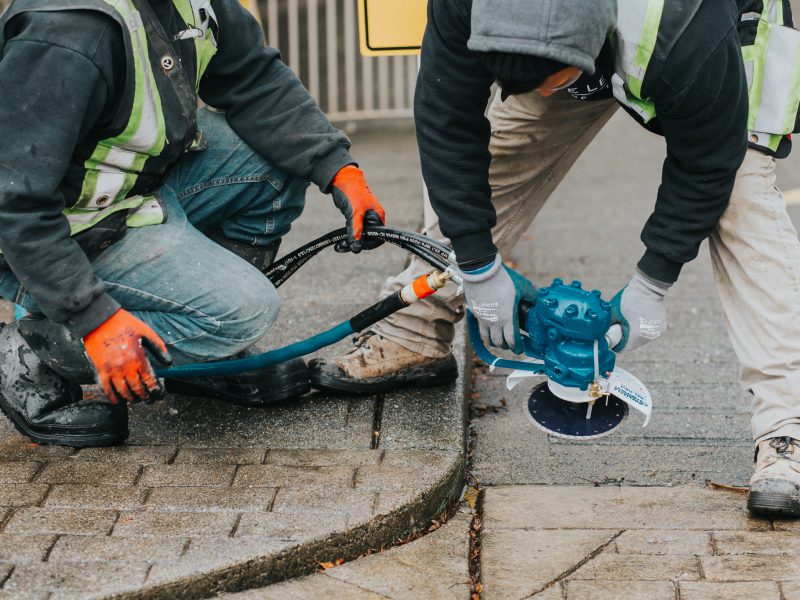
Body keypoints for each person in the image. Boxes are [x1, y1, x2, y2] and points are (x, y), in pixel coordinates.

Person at [310, 0, 800, 517]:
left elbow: (707, 160)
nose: (546, 90)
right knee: (505, 148)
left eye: (553, 77)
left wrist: (654, 279)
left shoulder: (684, 25)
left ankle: (787, 428)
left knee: (739, 194)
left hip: (716, 34)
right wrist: (477, 264)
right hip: (570, 42)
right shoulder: (465, 7)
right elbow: (448, 126)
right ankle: (414, 330)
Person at [0, 0, 385, 448]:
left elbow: (254, 78)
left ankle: (196, 353)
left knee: (274, 160)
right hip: (62, 228)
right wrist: (92, 317)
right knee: (246, 310)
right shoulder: (71, 31)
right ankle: (36, 346)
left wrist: (340, 170)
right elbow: (13, 199)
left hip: (131, 189)